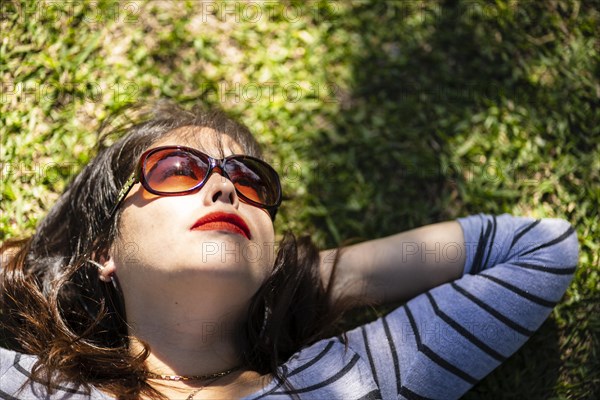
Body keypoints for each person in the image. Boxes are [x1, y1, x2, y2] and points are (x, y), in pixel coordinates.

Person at [0, 102, 579, 400]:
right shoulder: (29, 387)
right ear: (108, 251)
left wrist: (300, 279)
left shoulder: (360, 378)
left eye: (251, 183)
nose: (225, 187)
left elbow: (539, 249)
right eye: (177, 170)